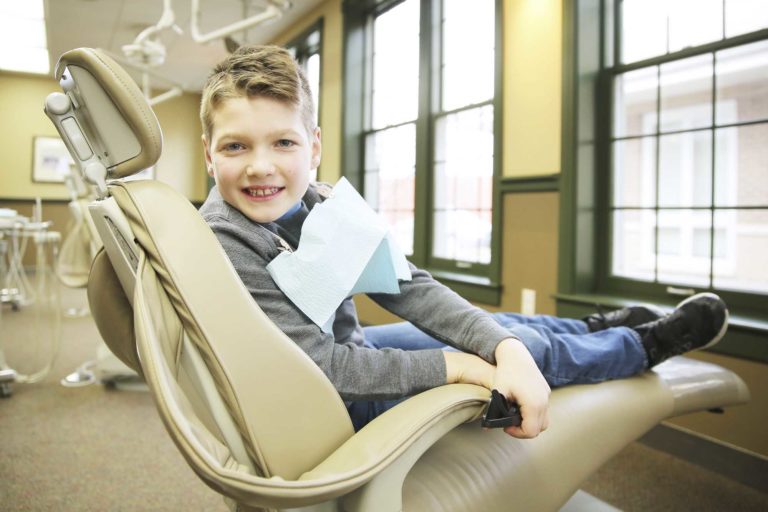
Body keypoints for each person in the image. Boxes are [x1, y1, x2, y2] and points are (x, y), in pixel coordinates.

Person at [198, 45, 729, 438]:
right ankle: (645, 346)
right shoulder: (226, 240)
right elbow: (328, 369)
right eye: (236, 146)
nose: (260, 166)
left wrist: (500, 345)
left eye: (283, 142)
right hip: (337, 399)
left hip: (354, 356)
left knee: (509, 332)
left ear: (313, 147)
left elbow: (407, 287)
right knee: (528, 353)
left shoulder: (317, 201)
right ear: (208, 154)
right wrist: (473, 365)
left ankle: (589, 327)